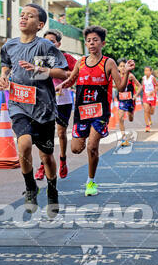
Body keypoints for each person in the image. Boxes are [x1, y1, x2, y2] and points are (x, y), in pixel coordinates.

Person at [0, 3, 68, 216]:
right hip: (19, 105)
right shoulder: (9, 45)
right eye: (22, 15)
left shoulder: (45, 46)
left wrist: (41, 69)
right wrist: (3, 78)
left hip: (43, 108)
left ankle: (52, 191)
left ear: (40, 24)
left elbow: (63, 73)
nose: (24, 18)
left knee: (46, 156)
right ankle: (30, 187)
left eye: (30, 16)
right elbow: (5, 64)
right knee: (24, 143)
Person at [56, 26, 135, 196]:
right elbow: (72, 79)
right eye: (89, 40)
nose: (91, 43)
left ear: (102, 43)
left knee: (92, 146)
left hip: (100, 112)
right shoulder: (81, 62)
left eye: (95, 40)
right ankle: (84, 146)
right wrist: (62, 85)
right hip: (82, 112)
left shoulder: (109, 63)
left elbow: (121, 87)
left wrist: (127, 73)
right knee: (76, 149)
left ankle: (91, 181)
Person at [35, 29, 76, 180]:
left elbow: (76, 74)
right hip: (45, 101)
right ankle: (43, 164)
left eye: (52, 41)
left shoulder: (66, 58)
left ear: (58, 44)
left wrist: (64, 78)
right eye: (45, 41)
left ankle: (63, 160)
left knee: (61, 133)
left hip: (63, 100)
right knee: (46, 134)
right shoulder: (40, 59)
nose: (48, 44)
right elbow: (37, 78)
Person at [117, 60, 142, 146]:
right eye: (121, 66)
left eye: (124, 66)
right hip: (121, 99)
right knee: (120, 118)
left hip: (130, 100)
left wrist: (135, 95)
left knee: (130, 119)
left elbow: (140, 86)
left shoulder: (130, 76)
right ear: (117, 68)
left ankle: (131, 113)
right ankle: (123, 138)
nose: (123, 68)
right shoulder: (116, 76)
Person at [142, 66, 158, 131]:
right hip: (146, 96)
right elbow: (143, 86)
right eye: (145, 70)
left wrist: (152, 92)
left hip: (152, 96)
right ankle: (147, 125)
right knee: (146, 110)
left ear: (151, 72)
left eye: (148, 70)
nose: (146, 72)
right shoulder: (143, 78)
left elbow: (157, 86)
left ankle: (150, 119)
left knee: (151, 112)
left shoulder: (152, 78)